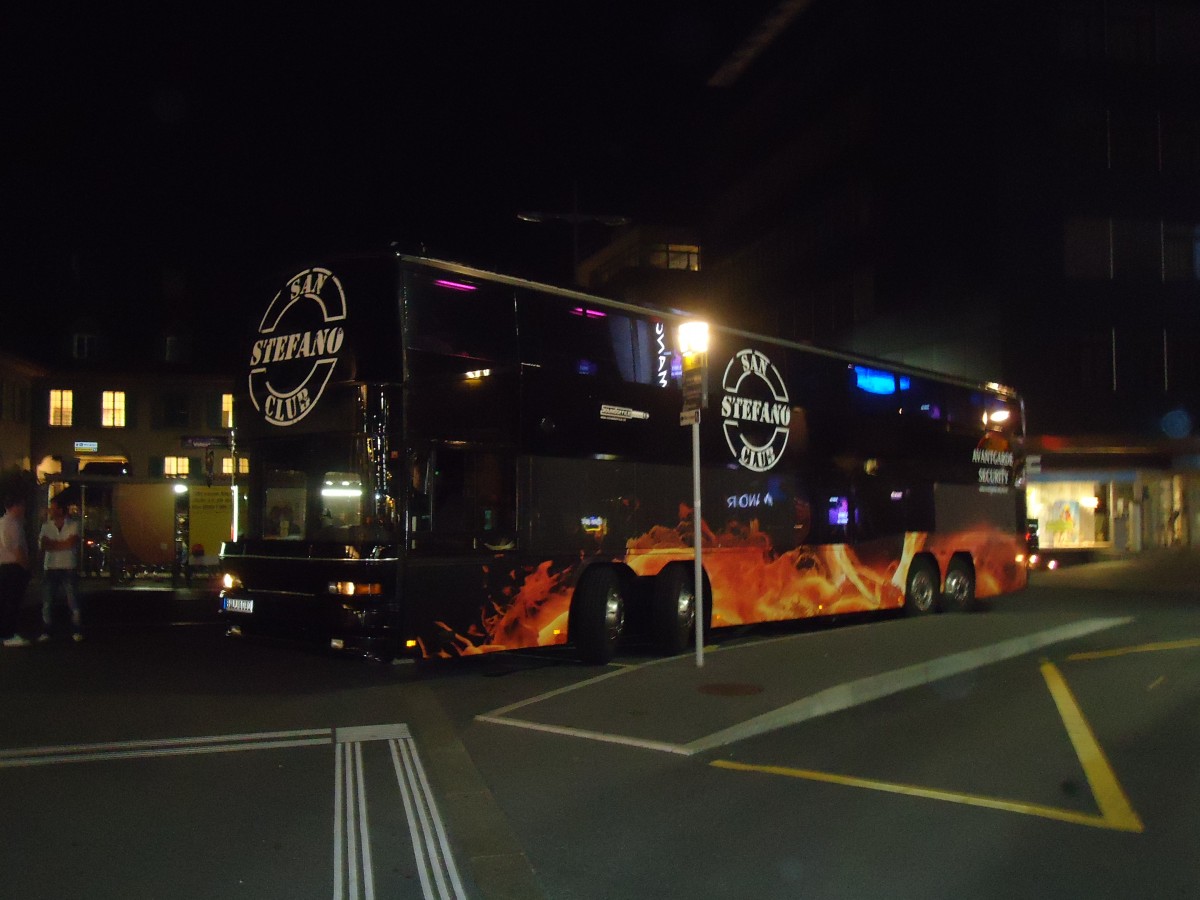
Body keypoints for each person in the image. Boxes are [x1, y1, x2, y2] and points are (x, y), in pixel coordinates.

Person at [38, 498, 82, 642]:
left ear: (61, 510)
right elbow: (45, 545)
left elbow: (71, 543)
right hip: (51, 567)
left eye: (53, 508)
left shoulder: (73, 524)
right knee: (47, 602)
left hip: (68, 566)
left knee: (73, 600)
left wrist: (54, 544)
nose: (50, 510)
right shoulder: (46, 526)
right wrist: (62, 544)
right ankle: (47, 631)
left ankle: (76, 630)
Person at [0, 494, 31, 648]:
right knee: (12, 602)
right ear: (16, 506)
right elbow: (16, 548)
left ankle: (5, 633)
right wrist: (26, 566)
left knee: (5, 601)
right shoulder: (12, 524)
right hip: (12, 567)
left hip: (4, 566)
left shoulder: (3, 522)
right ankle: (9, 634)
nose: (24, 509)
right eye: (22, 506)